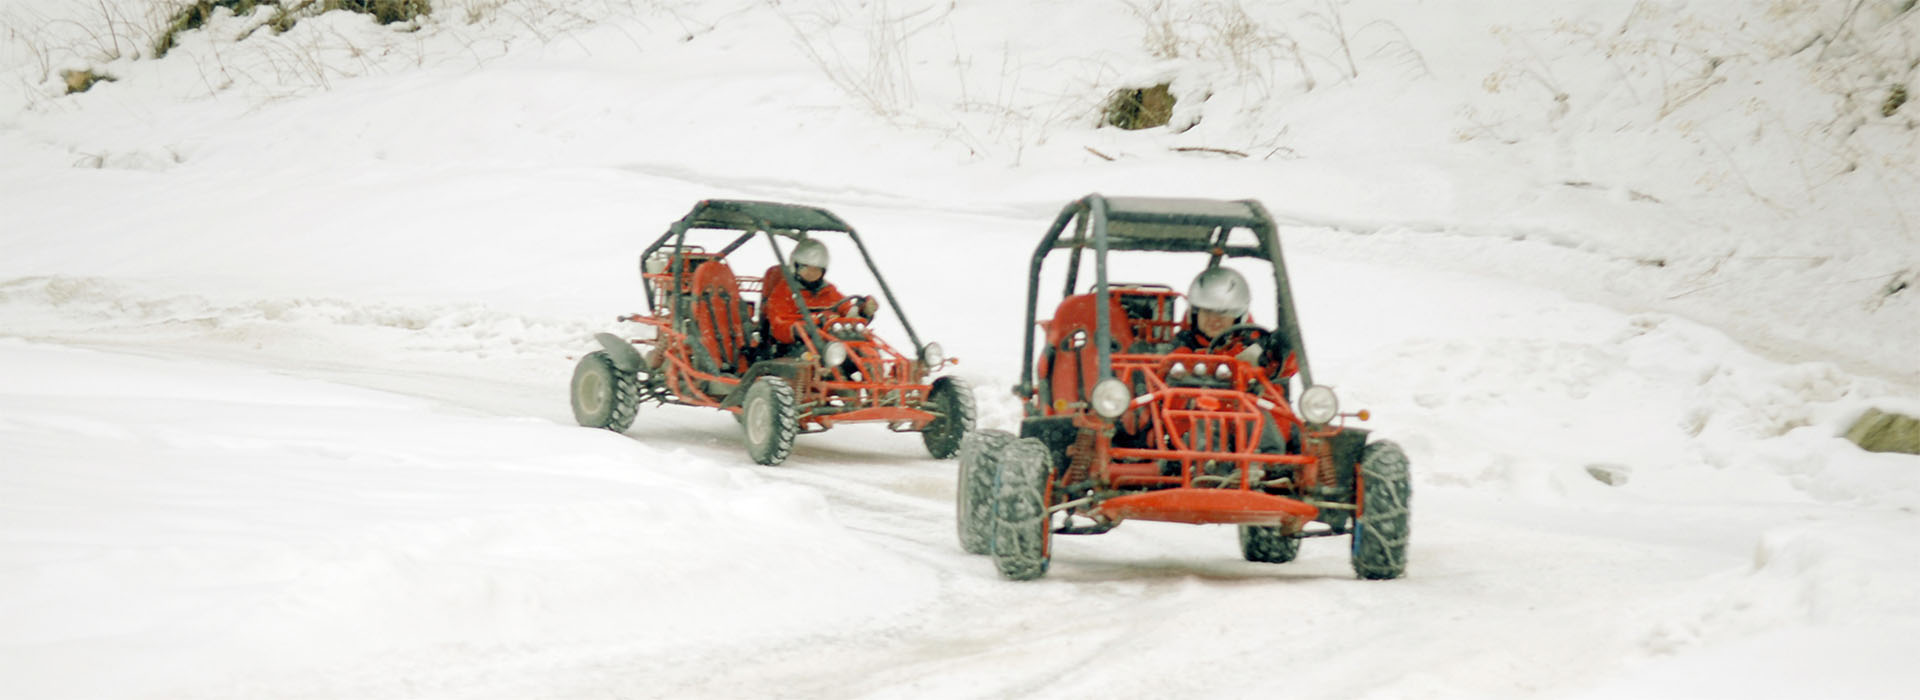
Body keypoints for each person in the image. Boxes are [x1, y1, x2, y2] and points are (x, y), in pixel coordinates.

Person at [760, 238, 880, 354]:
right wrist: (805, 328)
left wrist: (861, 311)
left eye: (816, 270)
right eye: (806, 268)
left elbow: (846, 311)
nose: (811, 274)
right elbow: (778, 328)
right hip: (795, 347)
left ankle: (881, 370)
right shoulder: (783, 292)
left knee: (866, 350)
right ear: (795, 266)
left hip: (832, 345)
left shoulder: (828, 291)